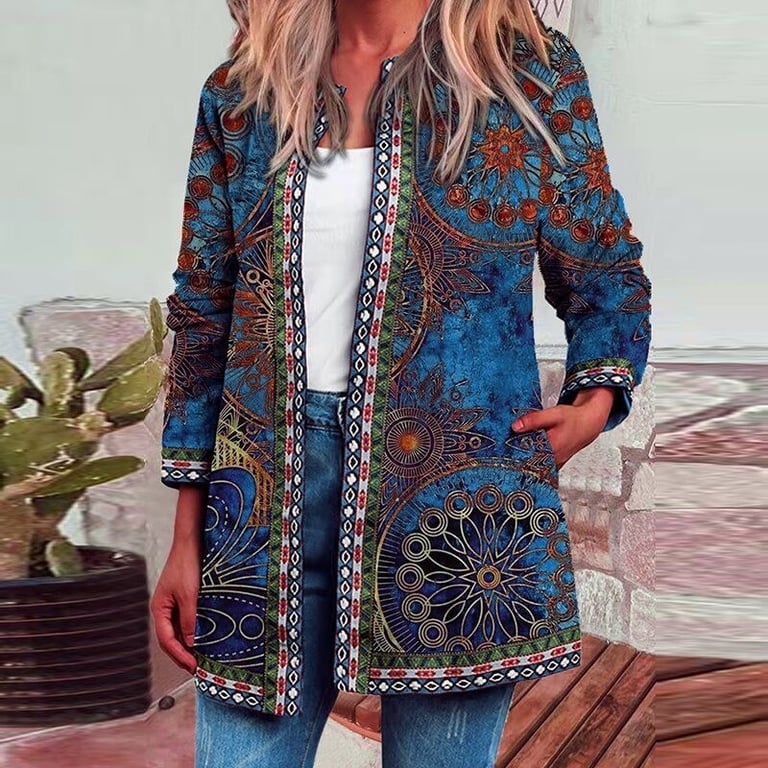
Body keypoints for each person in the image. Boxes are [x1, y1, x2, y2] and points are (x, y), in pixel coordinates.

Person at [151, 1, 652, 766]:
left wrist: (595, 402)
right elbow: (202, 311)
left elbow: (605, 269)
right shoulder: (245, 90)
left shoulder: (526, 73)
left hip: (455, 512)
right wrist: (189, 535)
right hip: (260, 507)